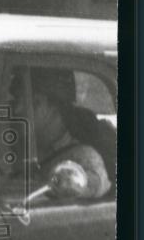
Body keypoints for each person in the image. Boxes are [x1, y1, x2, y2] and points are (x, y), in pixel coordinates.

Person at [13, 66, 114, 197]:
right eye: (17, 101)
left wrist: (69, 183)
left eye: (33, 103)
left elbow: (94, 188)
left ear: (57, 108)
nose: (17, 110)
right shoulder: (19, 147)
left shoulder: (84, 157)